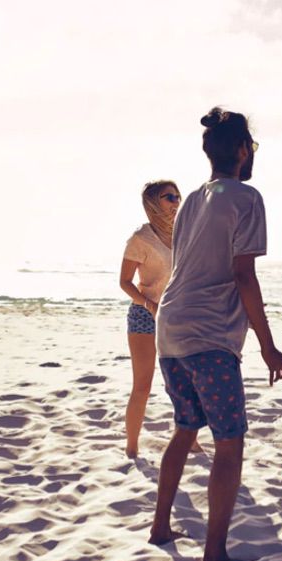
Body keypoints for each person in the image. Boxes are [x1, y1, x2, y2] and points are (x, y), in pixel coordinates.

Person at [149, 107, 282, 561]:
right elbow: (243, 275)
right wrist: (267, 345)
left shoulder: (192, 198)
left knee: (185, 428)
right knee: (229, 442)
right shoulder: (247, 197)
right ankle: (214, 554)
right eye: (251, 145)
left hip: (169, 329)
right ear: (240, 150)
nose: (252, 153)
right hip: (209, 336)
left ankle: (159, 527)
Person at [119, 180, 192, 458]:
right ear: (152, 203)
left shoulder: (184, 234)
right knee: (143, 385)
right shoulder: (141, 238)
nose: (176, 202)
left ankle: (189, 440)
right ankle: (132, 445)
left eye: (177, 196)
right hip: (145, 316)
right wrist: (148, 304)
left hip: (177, 316)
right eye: (169, 197)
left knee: (186, 384)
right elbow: (125, 282)